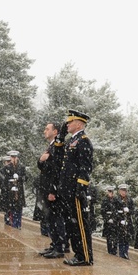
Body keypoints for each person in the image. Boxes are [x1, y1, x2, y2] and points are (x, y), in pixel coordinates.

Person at [58, 110, 94, 266]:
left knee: (80, 224)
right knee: (72, 224)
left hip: (75, 189)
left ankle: (85, 256)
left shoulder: (83, 141)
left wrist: (80, 187)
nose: (67, 124)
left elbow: (85, 167)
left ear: (79, 123)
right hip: (67, 189)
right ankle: (78, 254)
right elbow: (60, 155)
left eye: (70, 121)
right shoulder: (72, 140)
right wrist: (60, 136)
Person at [37, 122, 67, 257]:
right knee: (50, 218)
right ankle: (55, 244)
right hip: (47, 187)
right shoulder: (51, 146)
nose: (45, 131)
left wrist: (53, 190)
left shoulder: (58, 146)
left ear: (55, 132)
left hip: (52, 188)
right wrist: (41, 160)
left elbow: (56, 170)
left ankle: (60, 247)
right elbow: (43, 166)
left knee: (56, 218)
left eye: (47, 129)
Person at [4, 150, 26, 229]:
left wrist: (19, 178)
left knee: (19, 208)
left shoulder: (21, 167)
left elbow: (25, 177)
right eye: (12, 157)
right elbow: (5, 179)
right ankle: (13, 224)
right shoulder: (7, 167)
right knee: (12, 208)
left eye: (15, 157)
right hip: (11, 190)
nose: (14, 159)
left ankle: (18, 224)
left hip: (19, 189)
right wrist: (11, 181)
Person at [115, 184, 134, 259]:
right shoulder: (116, 199)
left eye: (125, 191)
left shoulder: (129, 200)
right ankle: (121, 253)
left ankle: (125, 252)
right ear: (119, 191)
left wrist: (129, 211)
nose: (123, 192)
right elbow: (114, 210)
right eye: (122, 191)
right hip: (120, 221)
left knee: (127, 238)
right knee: (121, 238)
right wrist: (120, 214)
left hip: (128, 221)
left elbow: (133, 211)